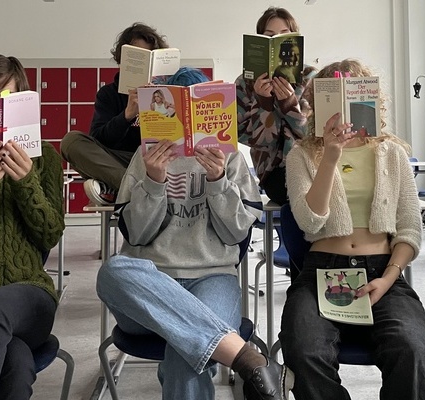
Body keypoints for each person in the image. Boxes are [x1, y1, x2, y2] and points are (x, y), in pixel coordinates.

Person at [96, 67, 294, 400]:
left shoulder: (229, 157)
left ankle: (223, 348)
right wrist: (154, 182)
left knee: (187, 353)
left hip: (212, 277)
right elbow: (136, 236)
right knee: (113, 271)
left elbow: (236, 234)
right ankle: (248, 358)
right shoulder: (146, 156)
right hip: (152, 282)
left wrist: (218, 182)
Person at [279, 59, 425, 400]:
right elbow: (309, 221)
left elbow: (410, 229)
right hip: (322, 271)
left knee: (413, 350)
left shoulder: (392, 153)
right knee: (303, 352)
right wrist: (330, 156)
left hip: (382, 271)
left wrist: (389, 277)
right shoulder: (301, 155)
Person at [0, 54, 65, 399]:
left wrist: (25, 182)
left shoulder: (45, 157)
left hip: (27, 294)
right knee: (16, 364)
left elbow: (50, 234)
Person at [61, 22, 169, 206]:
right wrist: (126, 116)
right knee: (71, 142)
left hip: (158, 161)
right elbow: (99, 139)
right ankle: (137, 192)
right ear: (122, 60)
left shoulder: (168, 95)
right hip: (120, 161)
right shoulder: (108, 94)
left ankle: (116, 189)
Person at [236, 6, 315, 205]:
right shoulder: (245, 83)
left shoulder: (310, 78)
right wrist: (264, 104)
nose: (276, 39)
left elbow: (315, 133)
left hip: (313, 162)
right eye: (269, 35)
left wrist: (289, 106)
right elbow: (256, 141)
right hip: (273, 171)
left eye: (285, 35)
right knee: (295, 192)